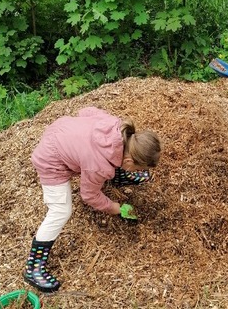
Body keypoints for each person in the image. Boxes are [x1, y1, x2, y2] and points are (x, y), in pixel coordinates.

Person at [23, 106, 161, 292]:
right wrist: (115, 207)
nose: (138, 172)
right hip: (51, 160)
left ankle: (118, 177)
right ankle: (34, 267)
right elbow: (88, 195)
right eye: (136, 169)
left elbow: (86, 111)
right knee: (61, 210)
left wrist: (79, 141)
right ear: (128, 162)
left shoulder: (117, 127)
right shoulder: (98, 166)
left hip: (61, 129)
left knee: (106, 166)